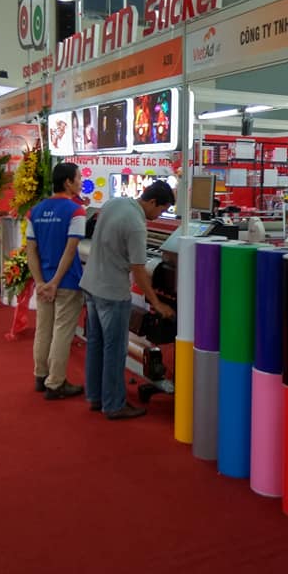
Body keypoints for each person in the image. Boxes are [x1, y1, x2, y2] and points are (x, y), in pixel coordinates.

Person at [80, 180, 176, 420]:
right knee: (115, 349)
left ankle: (96, 397)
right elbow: (139, 270)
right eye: (161, 210)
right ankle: (114, 404)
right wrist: (157, 304)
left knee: (96, 344)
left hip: (91, 284)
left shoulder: (114, 203)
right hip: (112, 292)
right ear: (152, 202)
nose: (159, 215)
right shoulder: (136, 224)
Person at [26, 162, 87, 400]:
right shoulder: (76, 211)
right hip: (67, 282)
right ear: (68, 182)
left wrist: (41, 282)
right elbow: (70, 251)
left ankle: (40, 375)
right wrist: (55, 282)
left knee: (43, 329)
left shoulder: (35, 211)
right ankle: (56, 382)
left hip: (43, 282)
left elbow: (31, 250)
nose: (81, 182)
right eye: (78, 178)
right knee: (62, 332)